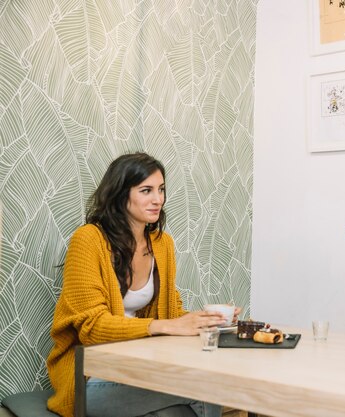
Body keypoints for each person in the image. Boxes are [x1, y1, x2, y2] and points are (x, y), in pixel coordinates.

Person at [47, 152, 239, 417]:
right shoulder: (89, 240)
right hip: (91, 375)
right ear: (120, 194)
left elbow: (170, 313)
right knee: (207, 386)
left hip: (141, 366)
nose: (157, 199)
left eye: (161, 190)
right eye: (146, 190)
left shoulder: (162, 244)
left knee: (176, 412)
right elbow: (91, 327)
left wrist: (206, 321)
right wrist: (165, 326)